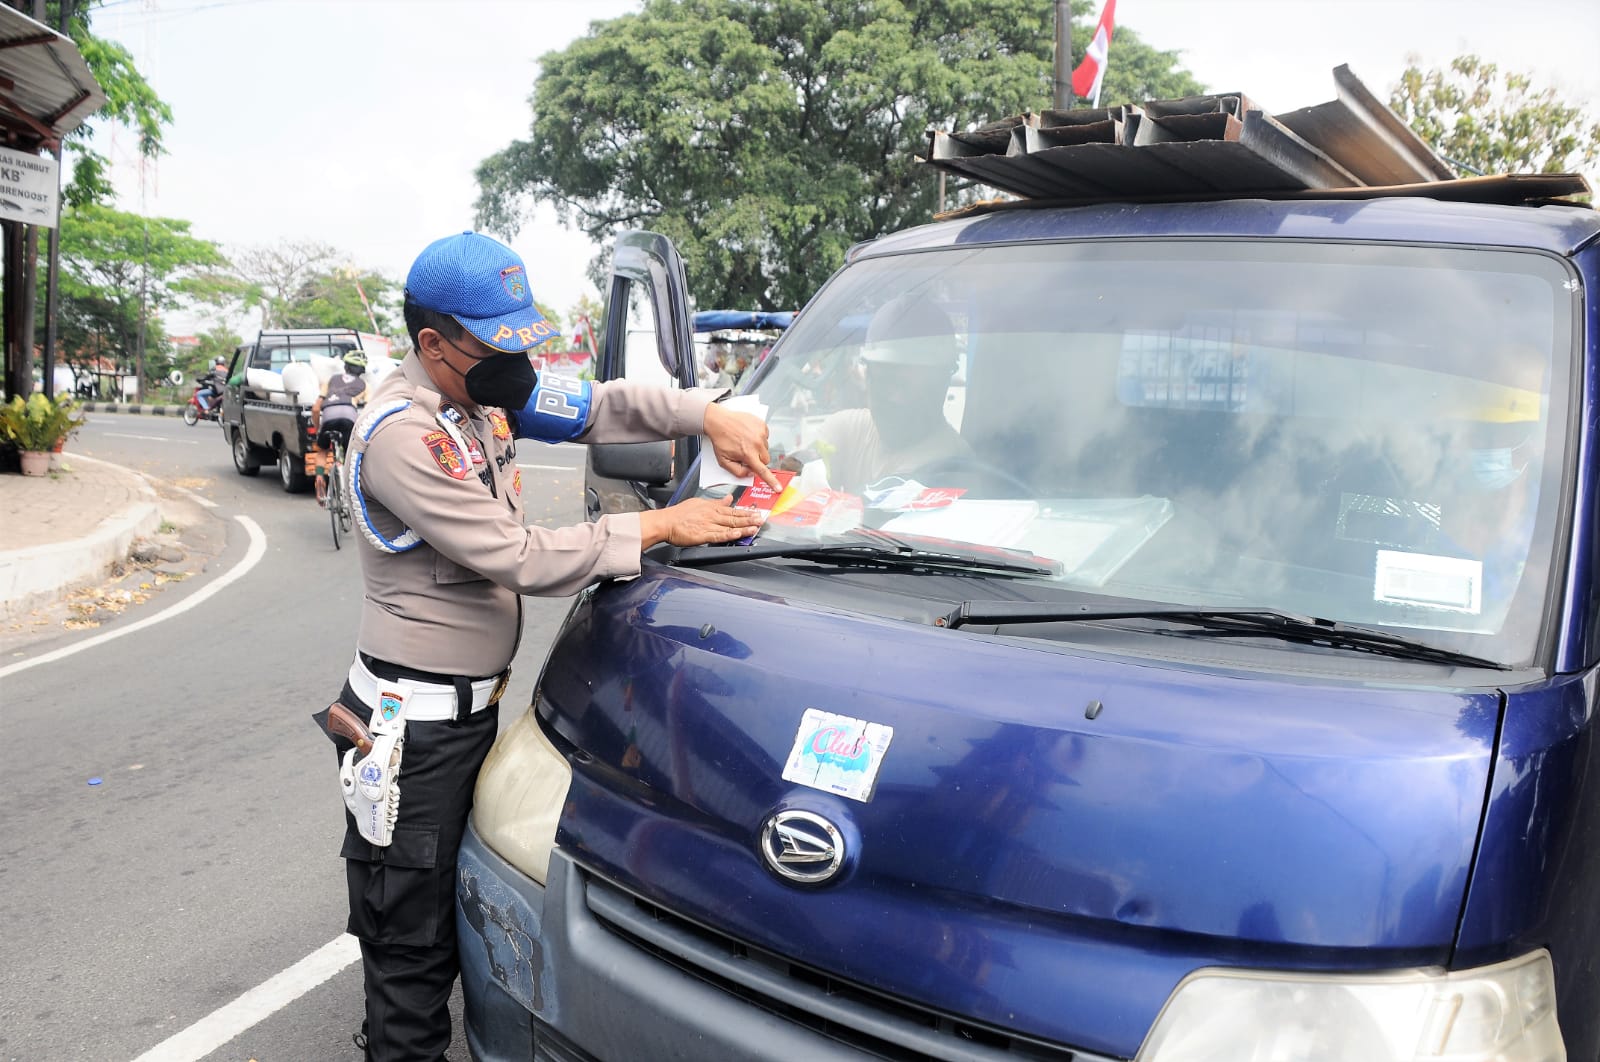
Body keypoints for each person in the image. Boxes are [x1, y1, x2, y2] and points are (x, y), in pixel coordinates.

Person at [313, 230, 777, 1062]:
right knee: (409, 960)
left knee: (454, 928)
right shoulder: (402, 436)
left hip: (464, 722)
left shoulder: (480, 395)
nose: (518, 365)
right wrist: (663, 524)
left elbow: (597, 407)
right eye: (498, 345)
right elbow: (518, 556)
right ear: (434, 344)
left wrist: (705, 412)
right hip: (411, 734)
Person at [780, 294, 972, 494]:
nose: (895, 398)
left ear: (942, 384)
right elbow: (791, 476)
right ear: (868, 377)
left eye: (906, 386)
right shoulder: (847, 430)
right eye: (883, 381)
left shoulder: (956, 466)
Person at [308, 350, 371, 506]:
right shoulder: (365, 385)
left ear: (345, 366)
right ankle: (354, 486)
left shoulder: (331, 380)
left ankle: (320, 479)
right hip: (349, 416)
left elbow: (316, 409)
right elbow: (369, 410)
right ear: (362, 371)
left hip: (328, 416)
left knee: (323, 450)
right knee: (353, 454)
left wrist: (318, 430)